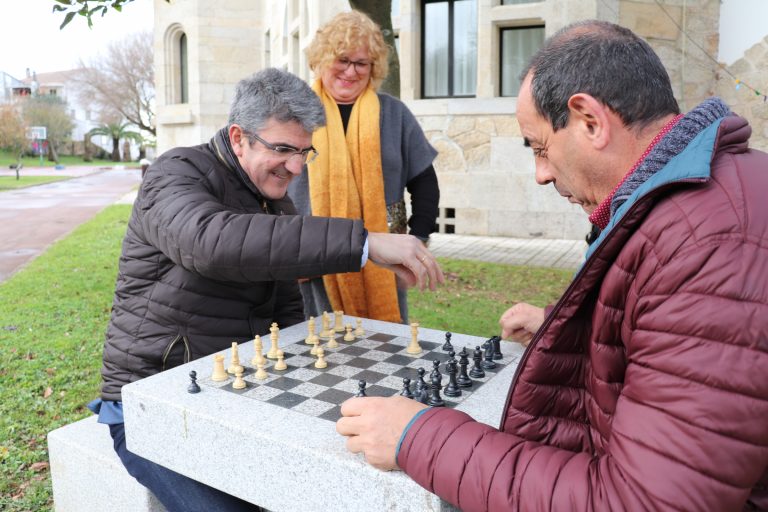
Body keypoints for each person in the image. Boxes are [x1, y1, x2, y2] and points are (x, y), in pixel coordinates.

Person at [336, 20, 768, 511]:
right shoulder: (707, 203)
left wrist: (417, 437)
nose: (541, 174)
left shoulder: (708, 244)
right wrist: (581, 331)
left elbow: (642, 504)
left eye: (540, 148)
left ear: (589, 120)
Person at [88, 68, 443, 512]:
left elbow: (286, 311)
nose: (296, 166)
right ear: (239, 137)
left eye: (304, 152)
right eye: (282, 149)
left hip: (237, 393)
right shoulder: (174, 173)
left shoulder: (274, 199)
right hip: (151, 400)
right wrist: (365, 242)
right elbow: (213, 243)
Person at [288, 10, 440, 324]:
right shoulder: (294, 113)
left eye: (362, 63)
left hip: (383, 264)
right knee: (315, 353)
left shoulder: (394, 114)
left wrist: (419, 240)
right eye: (342, 59)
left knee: (381, 354)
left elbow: (425, 182)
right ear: (323, 58)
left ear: (374, 67)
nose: (351, 71)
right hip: (309, 263)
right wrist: (282, 258)